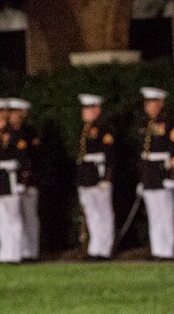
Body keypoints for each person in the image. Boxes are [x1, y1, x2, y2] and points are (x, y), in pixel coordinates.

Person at [137, 87, 174, 260]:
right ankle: (157, 250)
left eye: (153, 102)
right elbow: (144, 155)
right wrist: (142, 180)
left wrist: (172, 176)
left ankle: (168, 250)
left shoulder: (169, 123)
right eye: (147, 103)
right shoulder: (145, 124)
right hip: (149, 174)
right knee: (154, 214)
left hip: (162, 173)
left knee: (166, 213)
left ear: (160, 103)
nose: (149, 106)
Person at [74, 94, 115, 260]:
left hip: (99, 176)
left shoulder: (104, 129)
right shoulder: (84, 129)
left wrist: (106, 178)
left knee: (103, 213)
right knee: (92, 214)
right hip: (86, 176)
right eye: (84, 108)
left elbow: (110, 155)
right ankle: (95, 248)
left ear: (97, 109)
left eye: (89, 108)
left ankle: (104, 249)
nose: (85, 111)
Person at [0, 98, 24, 264]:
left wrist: (21, 181)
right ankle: (5, 252)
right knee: (0, 218)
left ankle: (14, 253)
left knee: (12, 218)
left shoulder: (14, 134)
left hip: (10, 180)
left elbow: (23, 160)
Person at [7, 98, 41, 260]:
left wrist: (26, 180)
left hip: (28, 182)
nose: (11, 115)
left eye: (15, 112)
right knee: (15, 217)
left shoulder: (28, 132)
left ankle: (31, 251)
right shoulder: (7, 133)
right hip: (11, 182)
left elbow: (31, 160)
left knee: (29, 216)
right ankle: (19, 250)